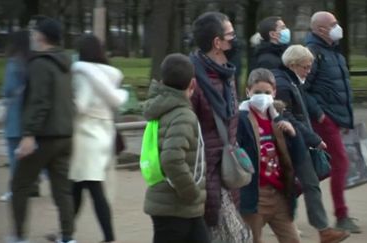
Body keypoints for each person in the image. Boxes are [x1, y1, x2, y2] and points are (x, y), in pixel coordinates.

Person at [272, 45, 350, 243]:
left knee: (310, 183)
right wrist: (314, 139)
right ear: (292, 65)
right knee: (303, 185)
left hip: (296, 141)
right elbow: (287, 116)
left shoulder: (291, 81)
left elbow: (299, 113)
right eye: (305, 67)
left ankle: (323, 230)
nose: (308, 71)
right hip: (291, 142)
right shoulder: (284, 83)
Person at [9, 17, 76, 243]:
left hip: (44, 135)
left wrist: (29, 134)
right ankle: (68, 237)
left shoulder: (39, 63)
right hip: (65, 134)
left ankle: (19, 236)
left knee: (20, 185)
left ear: (42, 36)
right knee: (62, 189)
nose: (32, 36)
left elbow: (40, 101)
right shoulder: (65, 63)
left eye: (34, 32)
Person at [189, 12, 252, 242]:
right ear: (217, 43)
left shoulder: (226, 74)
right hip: (206, 176)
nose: (235, 39)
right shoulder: (192, 79)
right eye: (231, 35)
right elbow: (186, 132)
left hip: (226, 172)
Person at [143, 53, 208, 243]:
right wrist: (191, 192)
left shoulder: (161, 109)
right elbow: (171, 159)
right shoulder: (182, 115)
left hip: (179, 207)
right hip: (175, 206)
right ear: (193, 85)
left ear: (162, 81)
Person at [304, 11, 361, 233]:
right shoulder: (313, 53)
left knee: (318, 167)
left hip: (335, 118)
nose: (339, 27)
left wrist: (346, 119)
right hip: (324, 119)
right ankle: (342, 215)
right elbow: (302, 88)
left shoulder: (333, 52)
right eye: (334, 24)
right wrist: (320, 115)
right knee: (340, 163)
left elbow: (340, 87)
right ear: (321, 30)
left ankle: (285, 199)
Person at [68, 34, 128, 243]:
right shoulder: (109, 75)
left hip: (85, 137)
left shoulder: (83, 74)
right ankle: (66, 232)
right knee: (79, 187)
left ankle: (106, 236)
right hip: (104, 135)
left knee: (88, 188)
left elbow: (80, 105)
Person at [238, 68, 300, 243]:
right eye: (257, 92)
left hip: (279, 193)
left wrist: (292, 133)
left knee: (292, 238)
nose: (262, 96)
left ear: (274, 92)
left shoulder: (278, 118)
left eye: (267, 92)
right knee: (253, 239)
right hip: (255, 195)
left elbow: (292, 154)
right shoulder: (241, 119)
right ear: (248, 91)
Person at [0, 31, 30, 202]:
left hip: (14, 115)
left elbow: (8, 90)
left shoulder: (13, 64)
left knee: (14, 155)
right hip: (28, 115)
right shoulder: (31, 62)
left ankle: (15, 190)